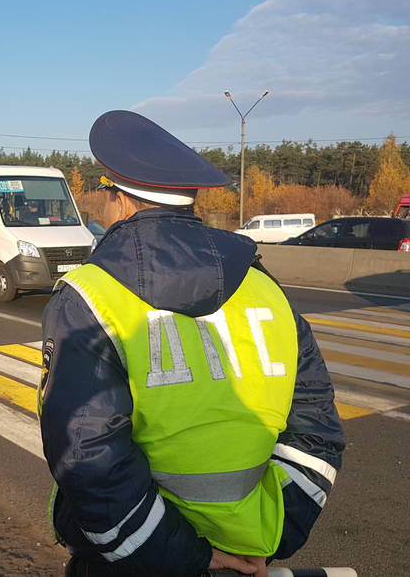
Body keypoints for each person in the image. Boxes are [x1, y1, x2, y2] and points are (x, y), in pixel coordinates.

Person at [39, 110, 344, 577]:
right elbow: (316, 427)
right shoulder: (265, 286)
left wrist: (187, 557)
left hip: (134, 561)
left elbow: (89, 457)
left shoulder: (89, 296)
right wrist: (271, 535)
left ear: (118, 200)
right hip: (251, 552)